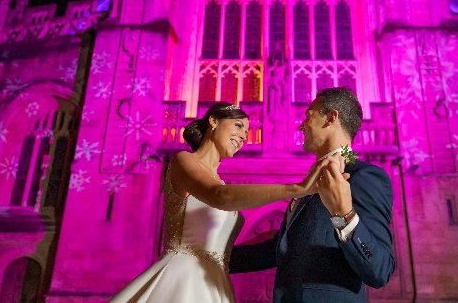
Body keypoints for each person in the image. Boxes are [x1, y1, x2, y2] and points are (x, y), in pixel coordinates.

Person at [109, 102, 328, 303]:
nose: (243, 136)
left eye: (246, 132)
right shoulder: (184, 160)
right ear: (214, 121)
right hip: (184, 277)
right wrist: (296, 189)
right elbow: (219, 196)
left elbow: (225, 249)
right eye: (238, 126)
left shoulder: (220, 180)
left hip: (216, 283)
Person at [230, 88, 396, 302]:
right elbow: (284, 248)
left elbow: (381, 270)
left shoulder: (364, 176)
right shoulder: (309, 183)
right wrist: (207, 258)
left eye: (308, 116)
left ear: (331, 118)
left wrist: (344, 215)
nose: (300, 125)